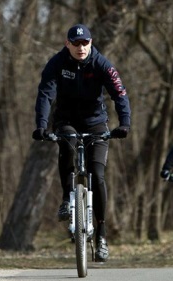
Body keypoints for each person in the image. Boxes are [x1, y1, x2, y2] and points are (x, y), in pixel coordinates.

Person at [32, 24, 131, 262]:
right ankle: (67, 198)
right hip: (66, 120)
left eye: (84, 43)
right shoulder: (57, 63)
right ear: (67, 44)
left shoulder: (102, 64)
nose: (80, 48)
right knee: (66, 145)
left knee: (97, 175)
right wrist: (41, 126)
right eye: (75, 43)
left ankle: (102, 236)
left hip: (96, 122)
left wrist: (124, 123)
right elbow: (45, 94)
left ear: (91, 42)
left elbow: (120, 93)